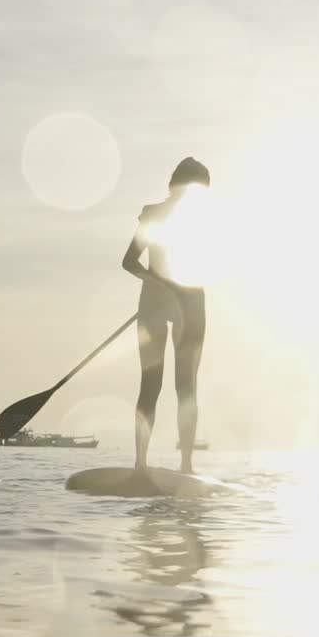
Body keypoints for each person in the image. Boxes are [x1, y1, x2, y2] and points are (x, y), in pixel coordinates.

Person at [122, 157, 210, 474]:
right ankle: (141, 464)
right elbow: (129, 261)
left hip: (187, 304)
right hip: (160, 303)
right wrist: (161, 284)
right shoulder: (155, 216)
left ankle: (186, 465)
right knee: (152, 385)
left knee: (185, 386)